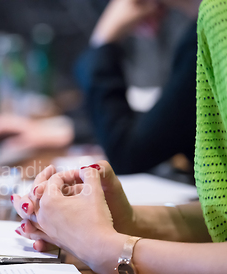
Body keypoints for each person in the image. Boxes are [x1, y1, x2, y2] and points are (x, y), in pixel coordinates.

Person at [10, 0, 227, 274]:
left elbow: (131, 148)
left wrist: (110, 251)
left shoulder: (220, 16)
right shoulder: (209, 20)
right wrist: (128, 221)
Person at [76, 0, 200, 174]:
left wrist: (104, 39)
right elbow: (168, 123)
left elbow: (127, 154)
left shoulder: (212, 34)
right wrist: (72, 132)